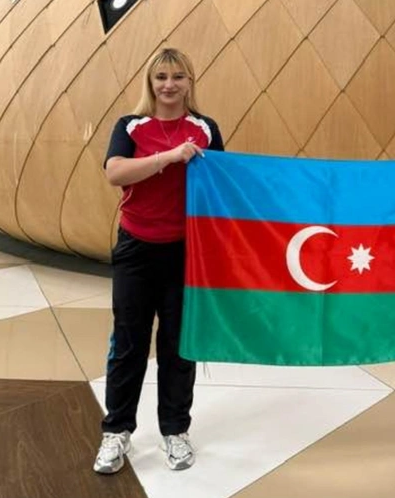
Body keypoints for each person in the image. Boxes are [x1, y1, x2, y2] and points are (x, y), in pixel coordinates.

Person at [94, 48, 224, 474]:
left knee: (178, 346)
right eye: (161, 77)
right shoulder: (130, 125)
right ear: (150, 82)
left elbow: (223, 184)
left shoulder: (205, 128)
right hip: (136, 249)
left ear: (190, 81)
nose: (169, 85)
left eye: (178, 76)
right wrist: (168, 158)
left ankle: (175, 430)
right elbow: (115, 172)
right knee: (128, 343)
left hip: (186, 253)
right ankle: (116, 431)